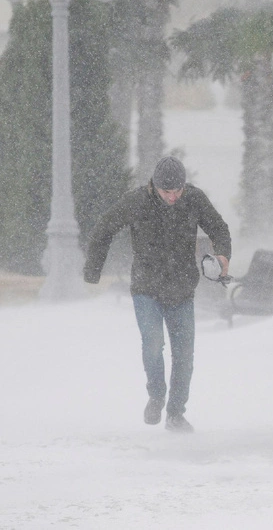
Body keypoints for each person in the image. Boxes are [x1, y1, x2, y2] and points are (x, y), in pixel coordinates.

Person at [84, 156, 231, 433]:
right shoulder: (136, 201)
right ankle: (156, 394)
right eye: (167, 192)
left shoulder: (195, 199)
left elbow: (219, 228)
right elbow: (103, 229)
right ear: (154, 186)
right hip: (146, 288)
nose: (173, 197)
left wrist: (223, 255)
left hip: (182, 288)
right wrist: (93, 271)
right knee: (153, 343)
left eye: (178, 191)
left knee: (184, 354)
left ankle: (176, 414)